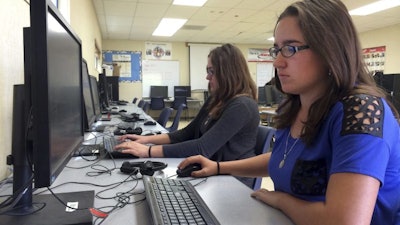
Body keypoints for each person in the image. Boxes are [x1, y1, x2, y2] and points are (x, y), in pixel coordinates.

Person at [178, 0, 400, 224]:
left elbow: (344, 221)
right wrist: (217, 167)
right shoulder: (296, 105)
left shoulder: (361, 111)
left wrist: (281, 200)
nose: (277, 61)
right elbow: (284, 158)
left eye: (290, 49)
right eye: (277, 49)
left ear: (329, 50)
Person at [115, 43, 260, 187]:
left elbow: (202, 148)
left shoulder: (242, 106)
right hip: (210, 171)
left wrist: (148, 151)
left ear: (228, 73)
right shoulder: (216, 99)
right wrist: (145, 140)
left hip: (233, 181)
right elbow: (187, 133)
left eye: (211, 71)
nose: (207, 77)